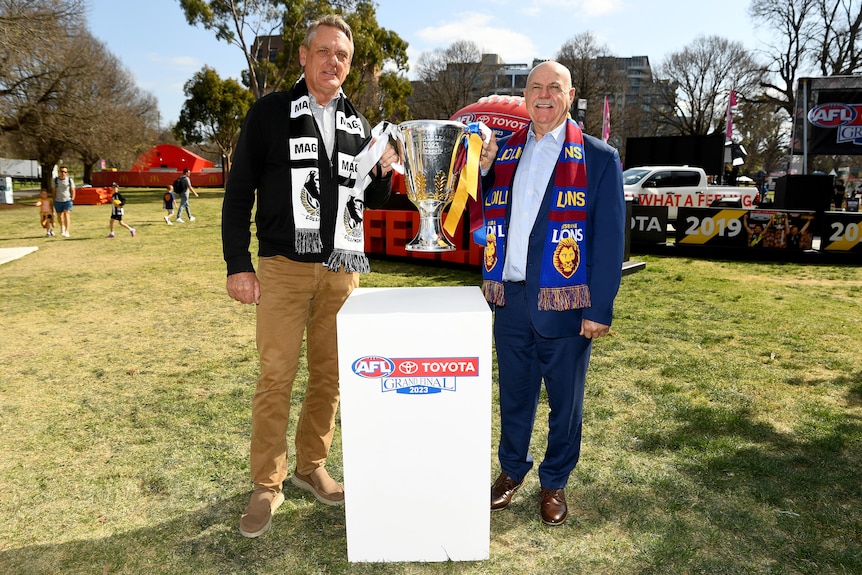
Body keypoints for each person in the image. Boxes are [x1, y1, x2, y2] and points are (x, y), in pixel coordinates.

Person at [222, 14, 399, 539]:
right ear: (303, 56)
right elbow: (239, 193)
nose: (332, 62)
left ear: (350, 64)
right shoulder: (270, 113)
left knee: (330, 375)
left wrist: (385, 169)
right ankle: (266, 483)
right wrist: (238, 263)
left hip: (341, 270)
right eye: (323, 52)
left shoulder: (357, 124)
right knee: (276, 376)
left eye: (342, 56)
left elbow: (372, 199)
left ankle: (310, 467)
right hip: (282, 267)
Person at [479, 61, 625, 526]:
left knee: (566, 402)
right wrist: (481, 174)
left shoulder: (599, 157)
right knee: (515, 395)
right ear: (525, 96)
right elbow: (485, 217)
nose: (543, 95)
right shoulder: (502, 154)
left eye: (553, 88)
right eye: (535, 87)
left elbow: (608, 240)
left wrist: (598, 307)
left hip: (566, 301)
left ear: (570, 94)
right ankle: (511, 472)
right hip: (512, 298)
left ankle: (555, 481)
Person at [52, 166, 75, 237]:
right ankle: (62, 227)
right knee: (59, 216)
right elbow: (53, 190)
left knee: (66, 214)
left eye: (65, 172)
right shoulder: (55, 180)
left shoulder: (69, 180)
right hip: (58, 200)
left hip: (67, 200)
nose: (63, 173)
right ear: (59, 172)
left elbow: (73, 189)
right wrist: (54, 199)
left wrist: (72, 198)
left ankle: (67, 231)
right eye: (62, 171)